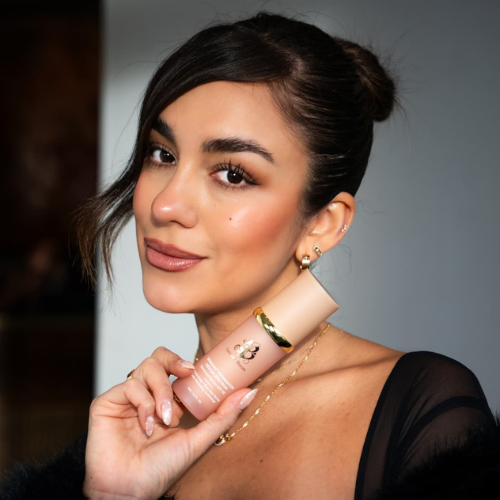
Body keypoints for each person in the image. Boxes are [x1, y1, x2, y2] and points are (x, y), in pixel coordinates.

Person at [1, 11, 498, 500]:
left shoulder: (420, 409)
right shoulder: (132, 434)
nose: (165, 205)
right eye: (162, 154)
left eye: (233, 174)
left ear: (323, 223)